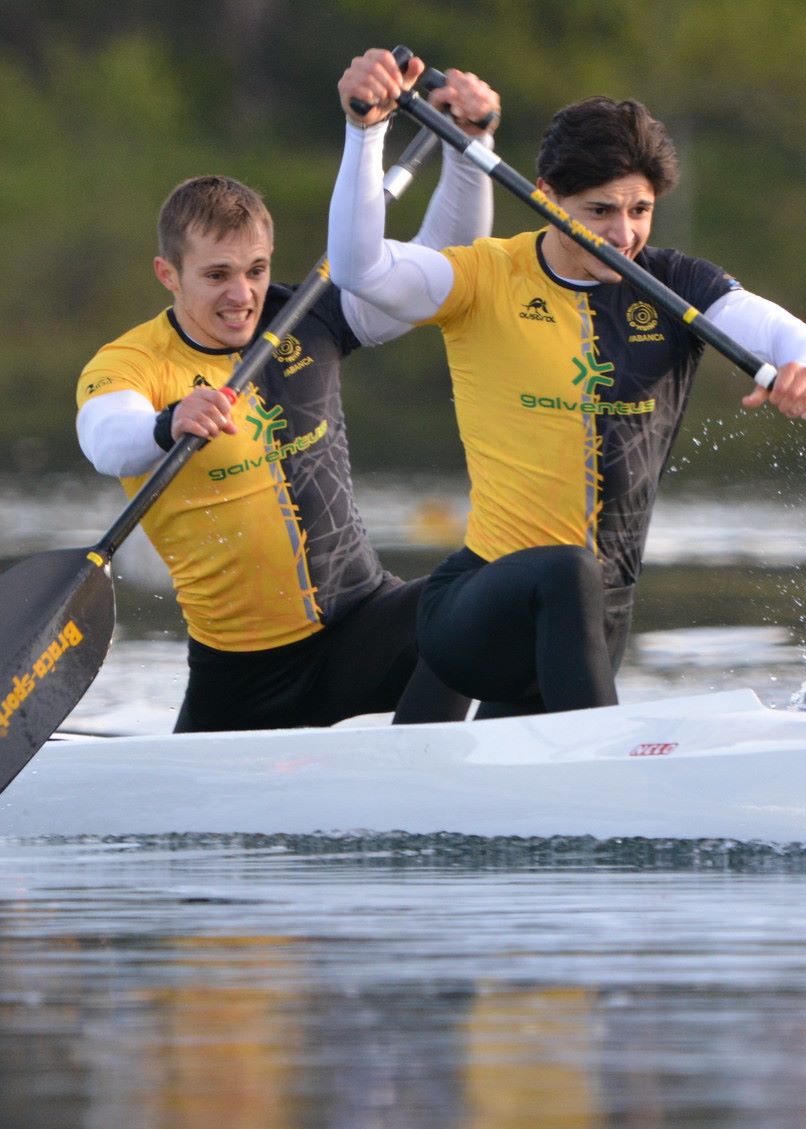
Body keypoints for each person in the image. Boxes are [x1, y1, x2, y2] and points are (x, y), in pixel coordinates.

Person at [328, 49, 806, 718]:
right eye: (600, 211)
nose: (623, 233)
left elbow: (804, 344)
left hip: (596, 627)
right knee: (566, 566)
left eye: (640, 210)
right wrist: (365, 132)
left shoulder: (678, 287)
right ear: (545, 198)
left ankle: (419, 752)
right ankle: (605, 767)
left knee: (524, 780)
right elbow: (357, 269)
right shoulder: (485, 277)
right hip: (473, 615)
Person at [75, 72, 500, 733]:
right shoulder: (134, 362)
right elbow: (104, 435)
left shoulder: (309, 316)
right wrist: (167, 423)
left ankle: (422, 775)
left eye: (255, 270)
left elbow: (438, 269)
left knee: (474, 606)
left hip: (362, 624)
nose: (242, 294)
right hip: (243, 675)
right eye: (216, 275)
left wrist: (468, 148)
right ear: (169, 275)